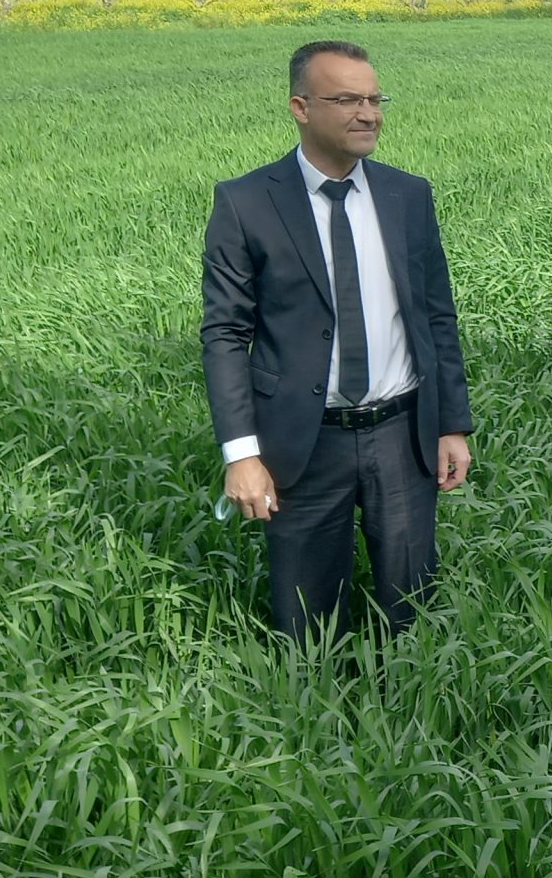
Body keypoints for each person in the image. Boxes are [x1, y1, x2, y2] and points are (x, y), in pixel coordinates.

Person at [200, 40, 473, 642]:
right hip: (304, 442)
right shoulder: (247, 203)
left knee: (414, 611)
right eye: (346, 98)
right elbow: (225, 333)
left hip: (403, 436)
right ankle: (311, 726)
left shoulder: (408, 195)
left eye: (375, 98)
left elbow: (437, 317)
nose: (368, 112)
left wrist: (451, 423)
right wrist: (241, 455)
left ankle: (412, 714)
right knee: (307, 620)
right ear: (300, 107)